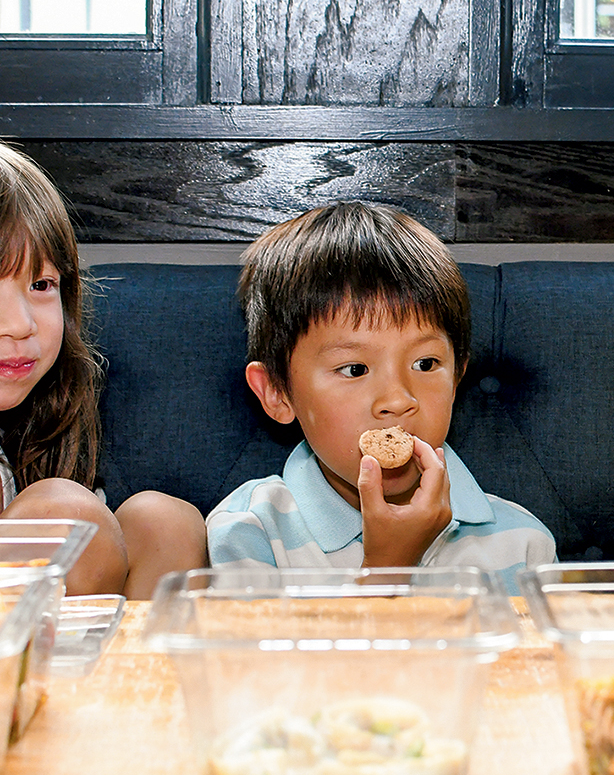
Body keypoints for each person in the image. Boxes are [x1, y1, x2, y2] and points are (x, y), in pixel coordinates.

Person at [206, 201, 556, 590]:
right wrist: (387, 569)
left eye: (425, 364)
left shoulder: (524, 544)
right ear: (276, 392)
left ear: (458, 376)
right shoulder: (249, 532)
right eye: (355, 369)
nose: (398, 399)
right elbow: (257, 655)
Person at [0, 127, 208, 598]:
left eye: (41, 285)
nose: (18, 324)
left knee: (164, 522)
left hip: (59, 651)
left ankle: (136, 672)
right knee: (63, 515)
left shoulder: (15, 461)